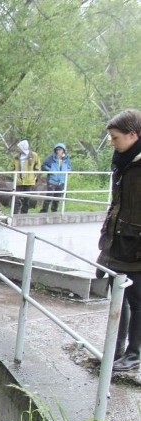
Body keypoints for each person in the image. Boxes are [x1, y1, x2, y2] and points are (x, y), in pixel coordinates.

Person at [95, 109, 141, 373]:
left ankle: (134, 355)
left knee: (137, 301)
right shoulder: (122, 161)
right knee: (118, 298)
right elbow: (116, 205)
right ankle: (117, 349)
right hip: (117, 241)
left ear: (133, 135)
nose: (112, 143)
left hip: (137, 247)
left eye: (115, 138)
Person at [10, 140, 42, 214]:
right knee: (16, 198)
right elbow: (12, 167)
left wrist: (35, 175)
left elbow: (38, 166)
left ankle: (24, 213)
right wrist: (14, 173)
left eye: (19, 147)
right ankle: (15, 213)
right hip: (18, 181)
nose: (18, 149)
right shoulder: (16, 157)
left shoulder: (33, 155)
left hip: (29, 180)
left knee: (26, 198)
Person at [40, 143, 71, 213]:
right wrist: (50, 170)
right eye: (57, 150)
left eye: (59, 150)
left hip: (61, 181)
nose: (58, 151)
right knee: (49, 196)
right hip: (52, 180)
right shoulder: (51, 158)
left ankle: (54, 211)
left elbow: (69, 168)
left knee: (57, 198)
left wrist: (68, 171)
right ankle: (44, 211)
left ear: (63, 150)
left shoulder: (66, 159)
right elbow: (43, 166)